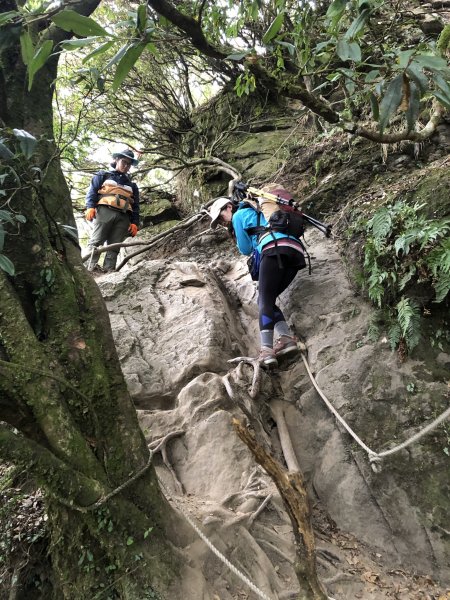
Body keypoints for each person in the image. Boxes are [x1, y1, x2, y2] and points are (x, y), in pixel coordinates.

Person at [209, 195, 306, 367]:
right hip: (295, 251)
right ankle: (286, 339)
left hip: (273, 248)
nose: (221, 223)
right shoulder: (259, 212)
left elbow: (245, 248)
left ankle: (267, 350)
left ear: (229, 207)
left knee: (264, 300)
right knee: (266, 299)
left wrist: (236, 235)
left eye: (220, 217)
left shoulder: (239, 215)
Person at [85, 148, 140, 272]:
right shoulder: (103, 175)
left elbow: (136, 205)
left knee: (114, 246)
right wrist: (90, 207)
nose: (126, 166)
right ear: (116, 160)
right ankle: (87, 269)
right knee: (96, 241)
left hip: (124, 216)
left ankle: (109, 272)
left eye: (129, 164)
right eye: (123, 162)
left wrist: (134, 223)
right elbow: (92, 191)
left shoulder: (132, 185)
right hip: (105, 211)